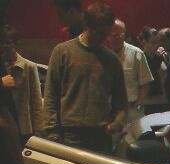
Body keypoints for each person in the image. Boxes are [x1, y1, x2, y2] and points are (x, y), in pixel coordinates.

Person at [44, 2, 128, 154]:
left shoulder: (111, 60)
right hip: (69, 135)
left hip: (101, 136)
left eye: (106, 34)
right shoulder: (63, 52)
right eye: (99, 33)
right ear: (87, 26)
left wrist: (117, 123)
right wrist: (52, 132)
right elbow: (51, 95)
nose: (103, 38)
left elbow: (121, 101)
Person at [0, 25, 44, 145]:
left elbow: (36, 101)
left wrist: (39, 130)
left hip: (24, 125)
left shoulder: (29, 66)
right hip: (6, 123)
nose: (5, 46)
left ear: (16, 43)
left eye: (8, 42)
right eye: (2, 43)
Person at [109, 19, 154, 122]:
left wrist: (139, 104)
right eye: (111, 34)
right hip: (109, 112)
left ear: (124, 34)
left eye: (117, 34)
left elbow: (146, 82)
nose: (114, 38)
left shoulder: (136, 53)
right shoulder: (102, 54)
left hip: (131, 110)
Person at [139, 26, 169, 114]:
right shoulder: (140, 58)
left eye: (158, 42)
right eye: (153, 42)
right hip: (148, 104)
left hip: (163, 103)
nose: (157, 45)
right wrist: (157, 59)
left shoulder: (161, 56)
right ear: (144, 42)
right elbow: (149, 75)